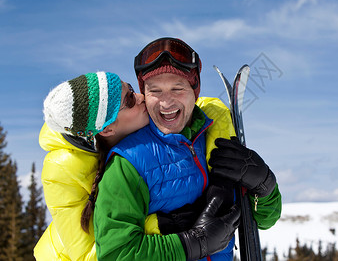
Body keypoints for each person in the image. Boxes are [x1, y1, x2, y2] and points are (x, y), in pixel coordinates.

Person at [94, 37, 282, 260]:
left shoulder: (214, 138)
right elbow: (115, 253)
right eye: (155, 91)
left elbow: (263, 220)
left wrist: (265, 185)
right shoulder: (128, 163)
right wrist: (193, 243)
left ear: (195, 91)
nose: (166, 103)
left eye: (177, 88)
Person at [34, 72, 150, 260]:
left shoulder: (133, 124)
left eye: (132, 89)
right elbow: (89, 254)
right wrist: (159, 225)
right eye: (129, 99)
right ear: (106, 129)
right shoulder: (61, 169)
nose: (141, 97)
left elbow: (202, 105)